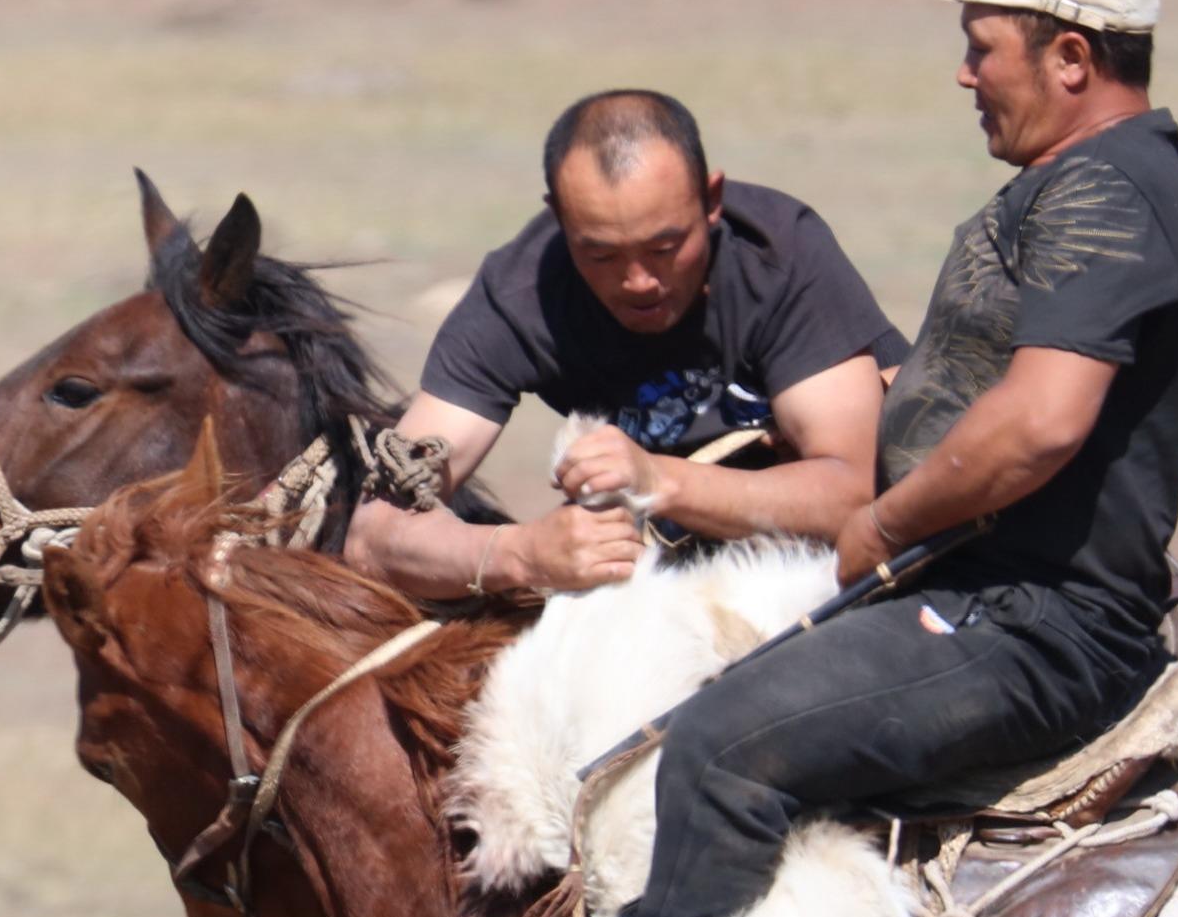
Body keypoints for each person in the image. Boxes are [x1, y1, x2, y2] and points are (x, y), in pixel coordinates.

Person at [493, 0, 1178, 917]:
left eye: (980, 45)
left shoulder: (1108, 192)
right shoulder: (1090, 183)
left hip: (1032, 622)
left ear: (1069, 55)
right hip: (987, 595)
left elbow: (1045, 420)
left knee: (710, 751)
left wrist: (888, 515)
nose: (964, 71)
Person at [347, 91, 905, 602]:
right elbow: (376, 537)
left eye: (666, 247)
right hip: (654, 583)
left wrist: (659, 481)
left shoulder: (779, 253)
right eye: (603, 255)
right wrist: (524, 553)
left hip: (831, 571)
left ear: (710, 200)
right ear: (561, 219)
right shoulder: (518, 297)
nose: (639, 281)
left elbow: (858, 495)